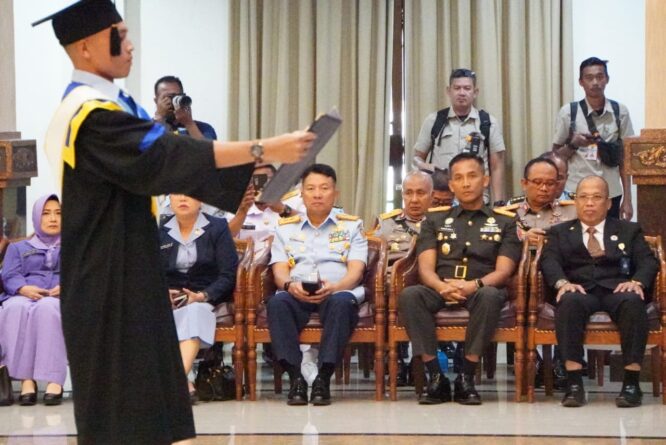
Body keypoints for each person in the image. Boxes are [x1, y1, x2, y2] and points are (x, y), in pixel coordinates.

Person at [33, 1, 314, 443]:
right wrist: (264, 149)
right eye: (119, 36)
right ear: (85, 47)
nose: (130, 45)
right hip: (106, 279)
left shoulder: (111, 105)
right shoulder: (90, 115)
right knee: (120, 414)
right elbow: (167, 157)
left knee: (152, 408)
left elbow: (167, 157)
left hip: (130, 271)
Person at [398, 153, 521, 405]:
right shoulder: (434, 220)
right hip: (440, 287)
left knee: (490, 296)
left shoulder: (505, 221)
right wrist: (441, 286)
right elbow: (425, 269)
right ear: (451, 185)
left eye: (472, 176)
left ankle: (466, 376)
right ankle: (436, 377)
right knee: (410, 295)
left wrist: (473, 285)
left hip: (481, 287)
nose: (466, 183)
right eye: (459, 178)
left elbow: (503, 271)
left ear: (485, 180)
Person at [540, 175, 658, 408]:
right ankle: (574, 384)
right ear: (576, 202)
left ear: (608, 202)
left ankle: (631, 384)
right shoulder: (560, 232)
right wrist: (562, 283)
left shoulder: (629, 230)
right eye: (583, 197)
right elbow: (549, 261)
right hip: (580, 289)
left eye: (596, 197)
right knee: (569, 301)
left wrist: (637, 282)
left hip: (618, 288)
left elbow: (648, 261)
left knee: (633, 301)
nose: (589, 203)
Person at [267, 164, 367, 406]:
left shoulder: (352, 226)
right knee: (277, 303)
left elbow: (356, 271)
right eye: (311, 189)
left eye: (324, 188)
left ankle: (323, 377)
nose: (317, 194)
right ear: (301, 194)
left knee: (343, 302)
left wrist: (336, 287)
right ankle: (296, 378)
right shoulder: (284, 228)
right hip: (296, 292)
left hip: (336, 292)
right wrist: (289, 286)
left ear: (335, 193)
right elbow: (279, 270)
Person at [159, 194, 238, 404]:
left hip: (205, 297)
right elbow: (149, 271)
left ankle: (174, 383)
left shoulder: (217, 227)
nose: (183, 199)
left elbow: (228, 274)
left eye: (189, 194)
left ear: (201, 199)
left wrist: (203, 295)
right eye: (177, 194)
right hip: (169, 300)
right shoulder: (160, 230)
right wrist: (161, 292)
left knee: (194, 312)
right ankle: (183, 384)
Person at [0, 194, 65, 406]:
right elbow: (9, 274)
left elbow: (82, 273)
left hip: (57, 297)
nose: (53, 218)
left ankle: (54, 380)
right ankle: (26, 380)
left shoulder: (75, 247)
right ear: (37, 217)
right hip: (22, 294)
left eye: (58, 213)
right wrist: (23, 288)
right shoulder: (18, 247)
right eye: (46, 213)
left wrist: (67, 286)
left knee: (47, 308)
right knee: (15, 309)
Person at [552, 57, 634, 220]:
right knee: (575, 235)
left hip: (610, 192)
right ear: (581, 82)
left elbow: (626, 159)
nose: (595, 82)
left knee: (609, 234)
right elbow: (556, 157)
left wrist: (628, 199)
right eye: (589, 78)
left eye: (600, 76)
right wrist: (573, 144)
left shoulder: (620, 112)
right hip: (576, 191)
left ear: (607, 79)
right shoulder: (569, 112)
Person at [412, 68, 507, 204]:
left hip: (476, 200)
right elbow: (417, 158)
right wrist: (425, 166)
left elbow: (496, 167)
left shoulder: (488, 122)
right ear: (448, 91)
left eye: (467, 88)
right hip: (441, 200)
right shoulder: (434, 121)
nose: (462, 93)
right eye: (457, 88)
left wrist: (498, 203)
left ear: (475, 92)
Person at [497, 157, 577, 245]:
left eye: (550, 183)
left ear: (557, 185)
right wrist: (521, 239)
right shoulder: (507, 214)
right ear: (524, 184)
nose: (544, 188)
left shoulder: (573, 212)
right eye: (537, 182)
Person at [374, 170, 433, 263]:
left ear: (431, 195)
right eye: (408, 193)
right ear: (402, 195)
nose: (414, 200)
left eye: (420, 193)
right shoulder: (386, 222)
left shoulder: (438, 222)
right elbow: (374, 260)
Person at [153, 75, 216, 140]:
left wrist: (189, 124)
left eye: (177, 96)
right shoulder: (148, 128)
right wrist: (160, 119)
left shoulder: (204, 128)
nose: (173, 101)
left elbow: (206, 146)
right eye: (169, 96)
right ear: (156, 101)